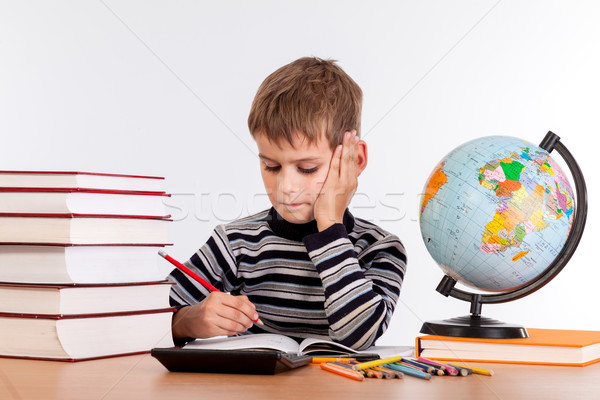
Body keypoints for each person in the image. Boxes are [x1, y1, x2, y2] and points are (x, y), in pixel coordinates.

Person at [168, 57, 407, 350]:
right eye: (271, 166)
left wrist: (330, 226)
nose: (286, 187)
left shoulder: (379, 249)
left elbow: (359, 336)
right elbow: (150, 318)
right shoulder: (235, 243)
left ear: (354, 161)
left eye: (307, 169)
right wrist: (188, 321)